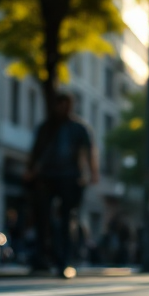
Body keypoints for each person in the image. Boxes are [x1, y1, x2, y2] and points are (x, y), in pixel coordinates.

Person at [27, 91, 99, 276]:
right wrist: (31, 170)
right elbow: (36, 150)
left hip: (70, 177)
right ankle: (42, 257)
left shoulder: (78, 128)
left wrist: (92, 173)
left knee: (68, 218)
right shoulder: (46, 127)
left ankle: (64, 260)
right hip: (47, 176)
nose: (63, 108)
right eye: (60, 104)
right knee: (43, 218)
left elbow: (89, 150)